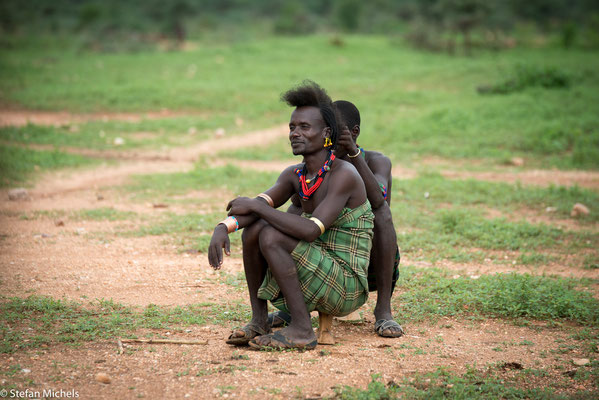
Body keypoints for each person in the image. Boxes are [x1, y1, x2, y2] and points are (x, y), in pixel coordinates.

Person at [207, 81, 375, 350]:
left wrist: (259, 208)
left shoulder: (344, 174)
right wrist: (222, 227)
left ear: (326, 133)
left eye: (304, 127)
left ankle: (301, 329)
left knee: (270, 232)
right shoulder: (294, 174)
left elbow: (309, 231)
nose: (295, 133)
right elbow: (254, 207)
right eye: (292, 127)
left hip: (345, 284)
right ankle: (259, 320)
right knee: (254, 231)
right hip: (318, 268)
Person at [268, 101, 404, 338]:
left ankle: (383, 309)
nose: (329, 137)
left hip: (365, 257)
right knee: (294, 209)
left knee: (382, 215)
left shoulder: (376, 161)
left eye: (335, 131)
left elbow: (379, 199)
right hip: (324, 249)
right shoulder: (320, 164)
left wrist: (353, 153)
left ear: (354, 133)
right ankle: (294, 308)